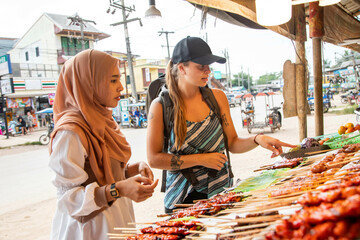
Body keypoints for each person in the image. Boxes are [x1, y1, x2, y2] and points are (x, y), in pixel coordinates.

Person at [146, 36, 295, 213]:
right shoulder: (161, 106)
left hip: (221, 193)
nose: (208, 71)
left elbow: (232, 143)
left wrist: (257, 139)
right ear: (181, 68)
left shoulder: (217, 98)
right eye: (201, 66)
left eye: (209, 66)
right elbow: (154, 159)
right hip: (182, 201)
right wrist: (201, 160)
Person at [49, 49, 158, 240]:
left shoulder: (103, 121)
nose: (121, 87)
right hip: (90, 230)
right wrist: (120, 190)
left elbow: (104, 175)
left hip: (116, 221)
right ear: (89, 83)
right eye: (113, 80)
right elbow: (69, 199)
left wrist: (134, 169)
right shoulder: (71, 132)